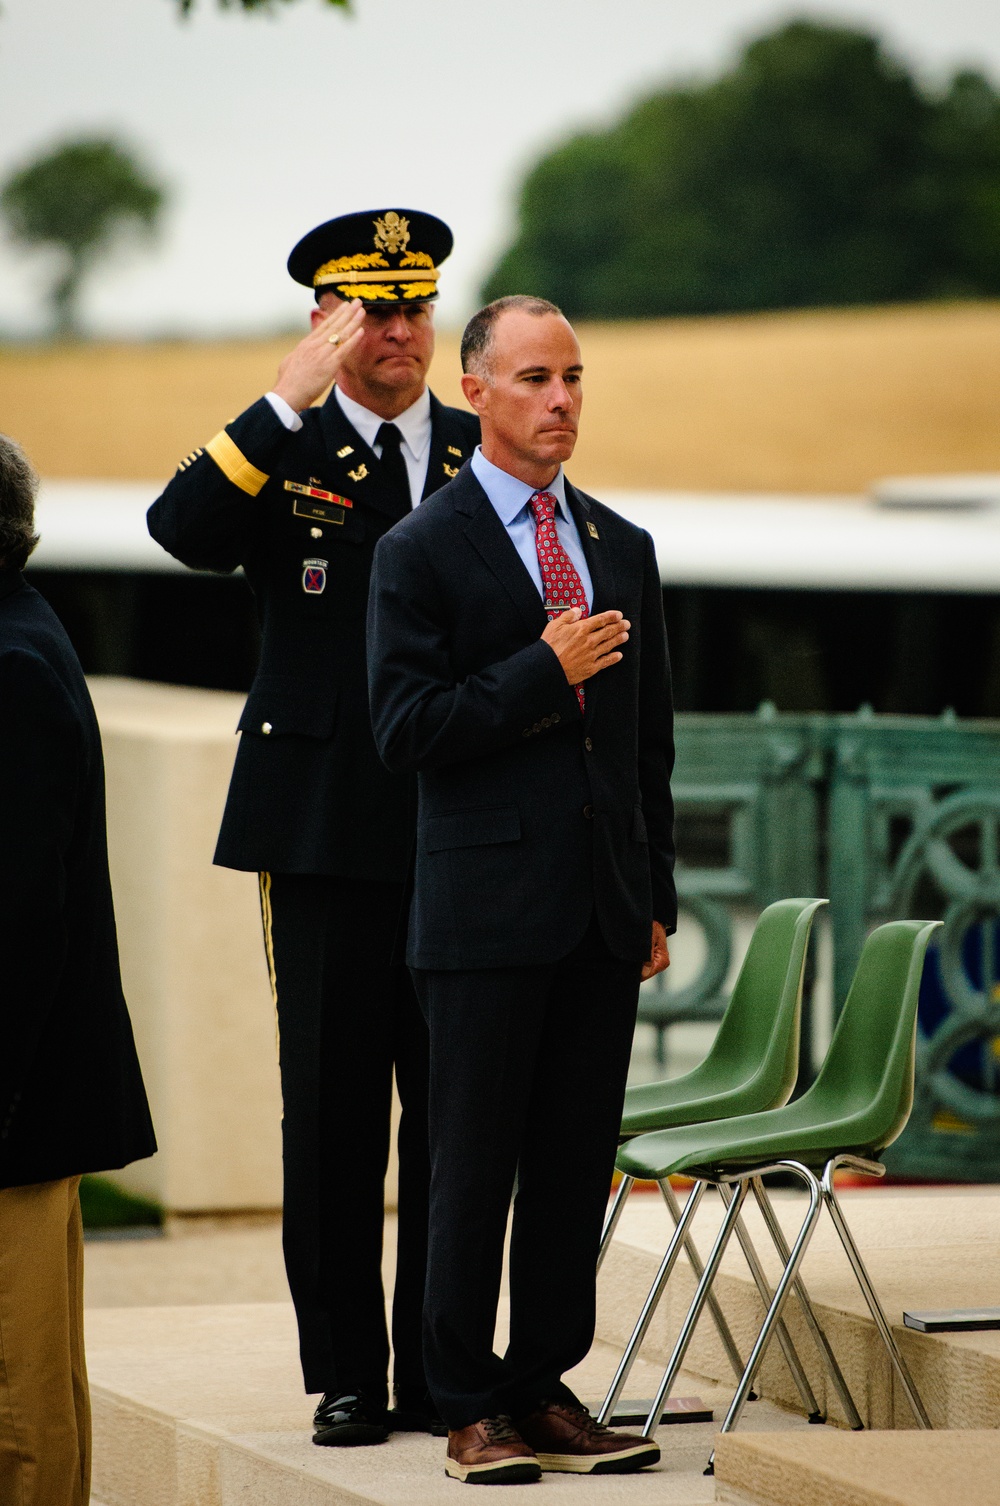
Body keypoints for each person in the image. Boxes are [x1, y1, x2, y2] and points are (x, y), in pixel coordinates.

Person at [146, 209, 479, 1446]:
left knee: (452, 1114)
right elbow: (179, 534)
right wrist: (280, 403)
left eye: (413, 308)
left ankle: (444, 1368)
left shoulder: (469, 450)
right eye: (368, 309)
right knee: (333, 1110)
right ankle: (347, 1371)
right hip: (327, 828)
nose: (396, 332)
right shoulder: (282, 449)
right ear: (324, 320)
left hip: (456, 829)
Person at [367, 295, 676, 1484]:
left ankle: (544, 1385)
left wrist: (651, 894)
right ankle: (464, 1402)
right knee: (468, 1164)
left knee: (566, 1164)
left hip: (600, 911)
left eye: (576, 377)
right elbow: (405, 730)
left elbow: (647, 740)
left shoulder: (621, 546)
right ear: (478, 388)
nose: (562, 400)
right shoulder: (420, 548)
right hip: (482, 914)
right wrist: (538, 671)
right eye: (537, 378)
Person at [0, 433, 157, 1506]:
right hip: (28, 1091)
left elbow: (19, 916)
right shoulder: (23, 628)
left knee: (18, 1403)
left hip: (15, 1097)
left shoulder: (9, 661)